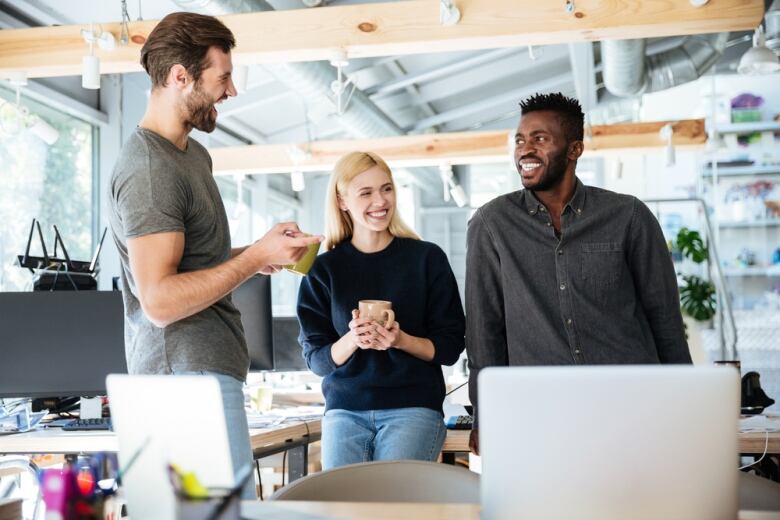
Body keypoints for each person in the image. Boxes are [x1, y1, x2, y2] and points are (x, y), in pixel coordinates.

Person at [107, 12, 321, 498]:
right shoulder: (148, 168)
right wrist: (249, 261)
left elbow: (191, 265)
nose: (232, 91)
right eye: (222, 77)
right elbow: (158, 301)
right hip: (180, 381)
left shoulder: (191, 155)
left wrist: (259, 253)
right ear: (180, 77)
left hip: (203, 375)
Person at [465, 93, 691, 455]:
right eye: (520, 140)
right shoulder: (492, 224)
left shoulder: (628, 216)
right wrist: (485, 415)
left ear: (575, 149)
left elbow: (664, 317)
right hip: (541, 410)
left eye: (540, 139)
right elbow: (483, 329)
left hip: (630, 403)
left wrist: (685, 402)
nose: (525, 150)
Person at [297, 151, 465, 469]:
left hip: (413, 406)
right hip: (344, 411)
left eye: (386, 188)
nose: (380, 200)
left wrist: (400, 340)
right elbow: (316, 360)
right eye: (366, 192)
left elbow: (451, 346)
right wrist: (352, 339)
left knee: (392, 506)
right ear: (342, 201)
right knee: (340, 511)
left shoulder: (427, 259)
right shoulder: (324, 270)